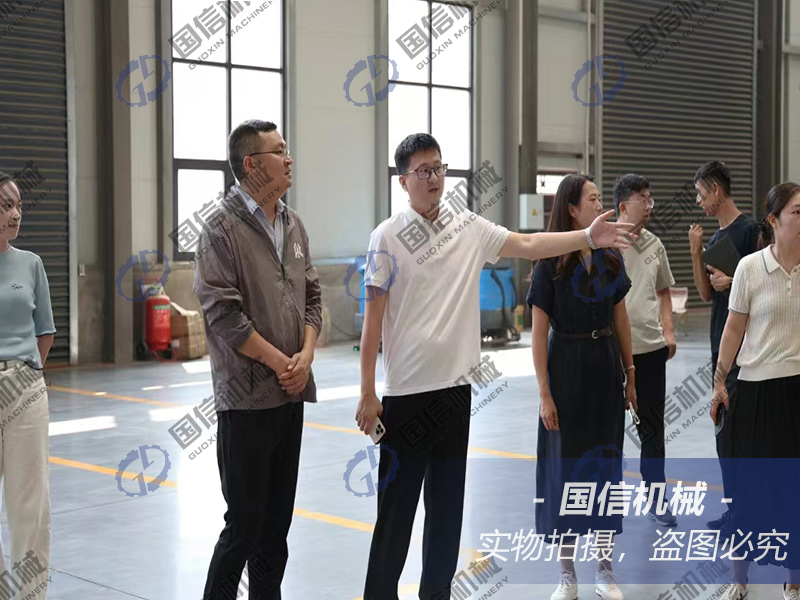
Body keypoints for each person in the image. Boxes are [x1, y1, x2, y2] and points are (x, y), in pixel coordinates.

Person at [355, 135, 634, 600]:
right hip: (405, 397)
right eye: (423, 171)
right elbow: (373, 320)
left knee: (446, 515)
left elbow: (528, 243)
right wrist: (368, 391)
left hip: (453, 394)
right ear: (403, 181)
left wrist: (587, 236)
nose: (434, 178)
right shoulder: (386, 237)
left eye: (439, 168)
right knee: (396, 516)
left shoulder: (467, 226)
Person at [194, 120, 322, 600]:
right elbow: (224, 316)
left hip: (290, 395)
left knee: (276, 528)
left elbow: (313, 296)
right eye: (278, 151)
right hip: (246, 402)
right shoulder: (220, 229)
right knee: (245, 525)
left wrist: (305, 356)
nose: (289, 159)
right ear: (251, 165)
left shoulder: (293, 223)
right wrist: (281, 363)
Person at [529, 174, 635, 600]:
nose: (599, 203)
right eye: (592, 199)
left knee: (606, 467)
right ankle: (567, 574)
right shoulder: (550, 261)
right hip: (566, 366)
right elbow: (538, 333)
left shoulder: (610, 258)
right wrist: (544, 393)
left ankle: (605, 570)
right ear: (572, 210)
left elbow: (620, 318)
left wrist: (630, 373)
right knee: (566, 468)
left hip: (604, 364)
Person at [710, 182, 800, 600]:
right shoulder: (749, 268)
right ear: (773, 220)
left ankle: (793, 581)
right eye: (797, 212)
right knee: (746, 491)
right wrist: (719, 383)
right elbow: (733, 330)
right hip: (754, 391)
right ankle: (739, 581)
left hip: (796, 393)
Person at [687, 160, 759, 531]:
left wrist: (733, 282)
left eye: (701, 194)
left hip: (749, 350)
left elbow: (762, 286)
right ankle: (735, 511)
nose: (699, 202)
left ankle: (750, 512)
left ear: (717, 190)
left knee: (745, 434)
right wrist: (695, 250)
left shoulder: (751, 231)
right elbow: (704, 293)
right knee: (724, 432)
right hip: (721, 349)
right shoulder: (714, 240)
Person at [0, 172, 55, 599]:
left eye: (17, 205)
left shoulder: (31, 263)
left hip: (24, 386)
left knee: (30, 505)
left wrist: (28, 375)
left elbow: (45, 331)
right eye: (6, 205)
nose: (15, 213)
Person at [614, 174, 678, 528]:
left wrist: (668, 330)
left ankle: (656, 500)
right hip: (611, 352)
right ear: (623, 206)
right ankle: (606, 503)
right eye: (643, 199)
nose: (650, 205)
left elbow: (665, 291)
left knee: (652, 429)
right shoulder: (605, 244)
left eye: (651, 198)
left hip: (651, 350)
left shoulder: (655, 245)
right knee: (609, 430)